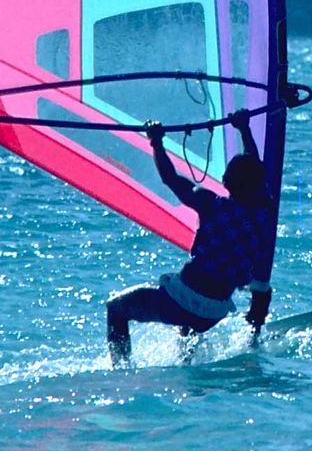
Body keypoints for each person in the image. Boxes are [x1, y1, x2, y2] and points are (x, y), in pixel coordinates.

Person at [105, 110, 275, 366]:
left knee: (116, 308)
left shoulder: (210, 203)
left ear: (226, 182)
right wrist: (244, 128)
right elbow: (255, 170)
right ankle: (185, 362)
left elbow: (170, 178)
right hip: (214, 312)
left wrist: (156, 142)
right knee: (190, 325)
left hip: (180, 301)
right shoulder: (265, 212)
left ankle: (120, 371)